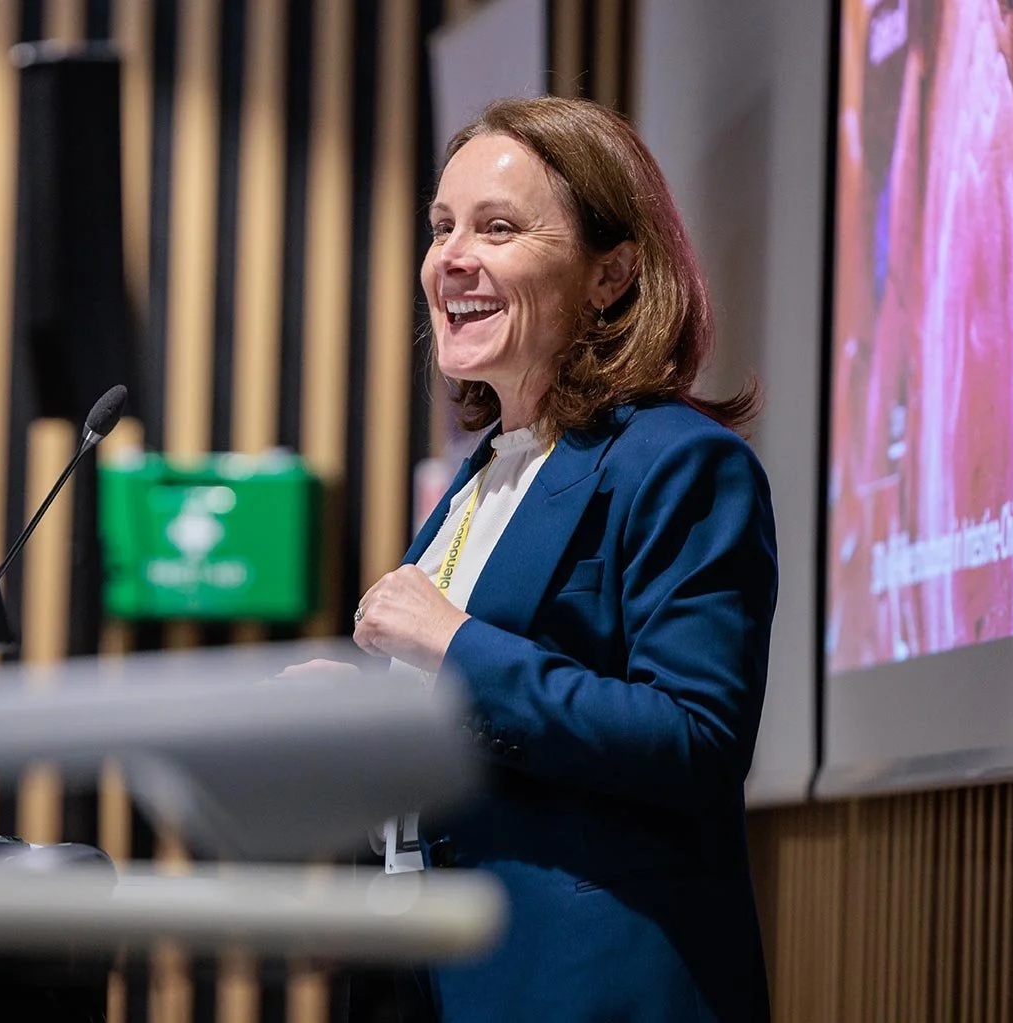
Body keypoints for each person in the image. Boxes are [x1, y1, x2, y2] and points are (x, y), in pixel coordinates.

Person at [307, 96, 777, 1021]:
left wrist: (456, 646)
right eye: (442, 226)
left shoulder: (679, 463)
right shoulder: (478, 479)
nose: (452, 257)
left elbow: (695, 740)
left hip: (585, 991)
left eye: (498, 227)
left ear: (611, 276)